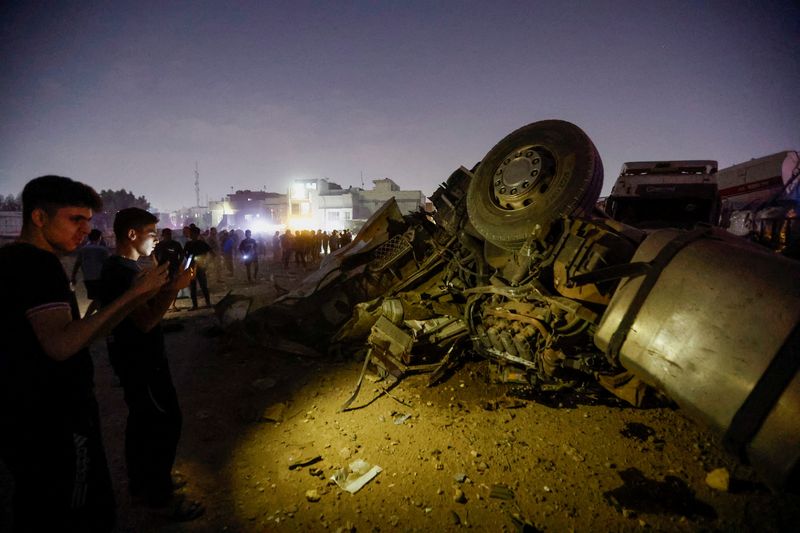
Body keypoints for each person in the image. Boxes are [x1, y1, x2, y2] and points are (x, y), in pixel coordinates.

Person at [0, 175, 169, 532]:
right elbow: (61, 345)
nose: (86, 229)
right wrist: (132, 296)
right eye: (75, 219)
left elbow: (74, 334)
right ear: (39, 217)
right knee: (80, 512)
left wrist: (134, 298)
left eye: (89, 220)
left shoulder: (14, 261)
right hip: (54, 421)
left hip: (31, 418)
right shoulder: (36, 265)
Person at [99, 207, 203, 520]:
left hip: (138, 359)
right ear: (132, 235)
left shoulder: (125, 268)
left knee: (142, 421)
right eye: (151, 233)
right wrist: (174, 288)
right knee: (165, 422)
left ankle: (143, 485)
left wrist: (168, 286)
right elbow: (145, 322)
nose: (155, 240)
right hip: (141, 361)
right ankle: (159, 497)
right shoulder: (120, 273)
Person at [70, 228, 111, 317]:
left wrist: (73, 277)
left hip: (88, 278)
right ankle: (97, 319)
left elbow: (78, 263)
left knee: (97, 299)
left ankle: (88, 318)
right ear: (99, 238)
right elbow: (108, 264)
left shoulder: (83, 249)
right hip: (100, 278)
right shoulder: (102, 250)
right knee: (100, 299)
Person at [184, 225, 213, 309]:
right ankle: (195, 305)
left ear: (196, 234)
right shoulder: (188, 244)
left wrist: (206, 263)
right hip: (192, 268)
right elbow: (184, 254)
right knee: (193, 287)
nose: (191, 235)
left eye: (192, 233)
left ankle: (207, 303)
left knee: (203, 286)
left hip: (199, 267)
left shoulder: (201, 243)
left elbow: (212, 253)